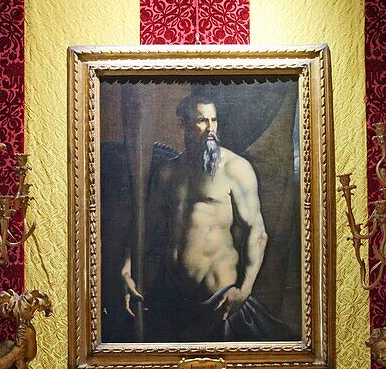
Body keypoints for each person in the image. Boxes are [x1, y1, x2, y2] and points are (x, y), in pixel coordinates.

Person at [120, 93, 294, 342]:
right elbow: (147, 229)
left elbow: (257, 233)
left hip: (221, 302)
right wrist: (126, 271)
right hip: (174, 301)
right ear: (182, 125)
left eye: (214, 120)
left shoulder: (236, 168)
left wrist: (244, 291)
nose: (211, 128)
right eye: (202, 121)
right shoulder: (167, 173)